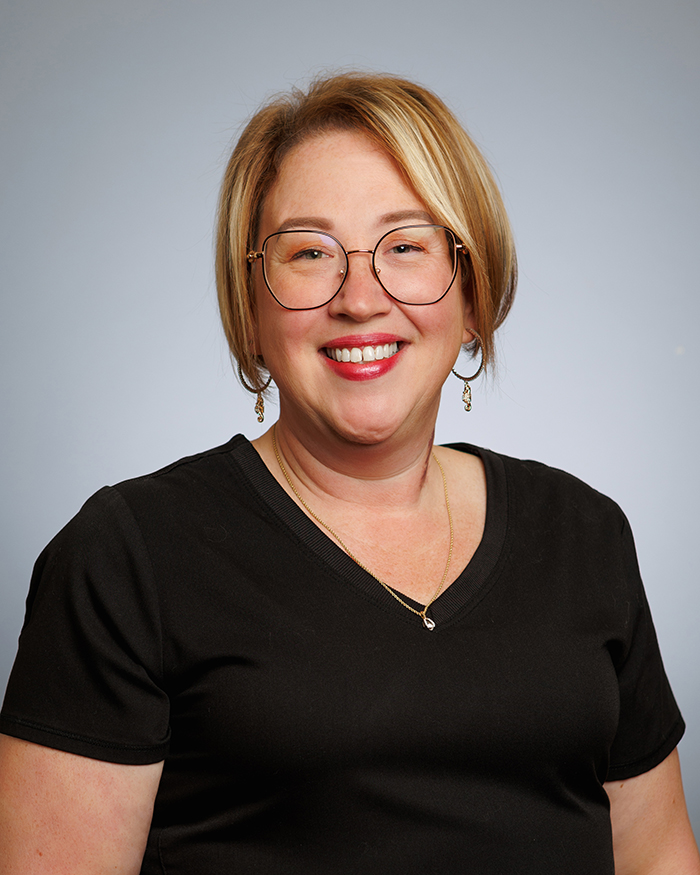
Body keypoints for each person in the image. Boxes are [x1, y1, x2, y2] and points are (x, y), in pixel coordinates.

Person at [0, 72, 698, 875]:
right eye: (309, 252)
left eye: (406, 245)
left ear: (471, 292)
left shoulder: (584, 533)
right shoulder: (129, 556)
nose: (360, 298)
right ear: (253, 306)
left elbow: (655, 856)